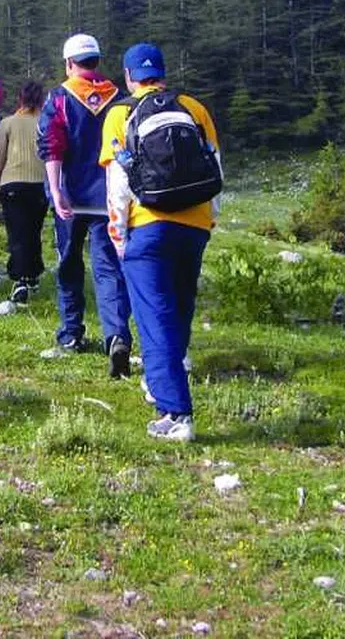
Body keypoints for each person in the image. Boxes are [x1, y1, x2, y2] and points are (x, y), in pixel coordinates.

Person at [100, 43, 222, 443]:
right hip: (195, 223)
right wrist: (210, 218)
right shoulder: (193, 107)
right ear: (163, 73)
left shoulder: (120, 113)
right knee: (180, 307)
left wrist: (118, 235)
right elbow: (214, 166)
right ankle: (167, 375)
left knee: (153, 317)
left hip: (148, 224)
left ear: (129, 76)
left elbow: (118, 184)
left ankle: (174, 412)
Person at [37, 34, 132, 375]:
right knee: (108, 269)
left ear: (68, 63)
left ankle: (71, 333)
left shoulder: (60, 98)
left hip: (71, 198)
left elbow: (52, 146)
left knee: (69, 264)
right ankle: (116, 334)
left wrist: (55, 189)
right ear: (97, 60)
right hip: (108, 198)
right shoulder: (118, 99)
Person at [0, 80, 48, 304]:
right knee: (33, 232)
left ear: (19, 99)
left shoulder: (8, 123)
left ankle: (20, 280)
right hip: (40, 185)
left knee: (17, 235)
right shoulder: (45, 122)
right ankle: (32, 275)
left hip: (12, 184)